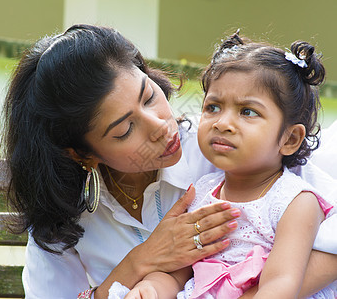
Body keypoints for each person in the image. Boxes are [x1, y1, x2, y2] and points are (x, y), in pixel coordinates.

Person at [0, 25, 337, 299]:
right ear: (81, 153)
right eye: (126, 129)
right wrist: (139, 262)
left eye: (149, 97)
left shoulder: (228, 148)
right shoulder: (62, 214)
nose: (162, 126)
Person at [122, 32, 337, 298]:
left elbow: (280, 285)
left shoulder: (295, 201)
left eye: (247, 111)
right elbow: (178, 272)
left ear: (290, 139)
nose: (222, 123)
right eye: (213, 107)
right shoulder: (201, 191)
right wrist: (151, 288)